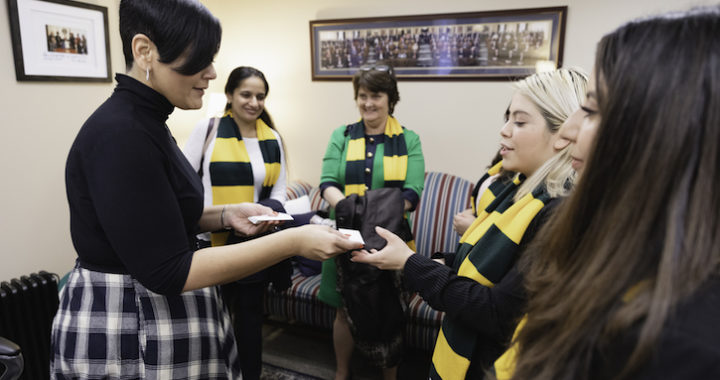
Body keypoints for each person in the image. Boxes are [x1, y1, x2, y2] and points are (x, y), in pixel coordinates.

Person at [50, 1, 362, 378]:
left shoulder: (149, 122)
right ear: (144, 51)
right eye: (200, 59)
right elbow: (168, 271)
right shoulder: (122, 134)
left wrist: (225, 214)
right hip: (131, 327)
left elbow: (157, 215)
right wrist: (293, 241)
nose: (212, 73)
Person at [498, 7, 720, 380]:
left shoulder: (680, 344)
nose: (567, 134)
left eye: (591, 109)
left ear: (662, 135)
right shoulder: (611, 247)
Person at [352, 68, 588, 379]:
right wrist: (430, 262)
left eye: (519, 121)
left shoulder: (558, 212)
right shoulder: (516, 188)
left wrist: (412, 264)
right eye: (507, 119)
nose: (503, 131)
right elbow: (485, 263)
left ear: (563, 134)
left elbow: (496, 312)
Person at [318, 63, 425, 380]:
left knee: (389, 309)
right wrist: (354, 214)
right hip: (344, 238)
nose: (368, 103)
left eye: (375, 95)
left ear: (390, 99)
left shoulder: (409, 139)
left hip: (390, 240)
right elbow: (327, 183)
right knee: (343, 309)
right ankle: (341, 372)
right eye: (362, 95)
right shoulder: (342, 135)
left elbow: (411, 194)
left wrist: (370, 219)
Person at [183, 66, 288, 380]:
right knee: (209, 321)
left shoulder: (273, 139)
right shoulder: (209, 129)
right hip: (209, 243)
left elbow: (280, 189)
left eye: (260, 96)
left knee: (249, 321)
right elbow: (186, 184)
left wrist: (265, 211)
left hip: (253, 242)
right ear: (229, 95)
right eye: (246, 94)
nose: (254, 102)